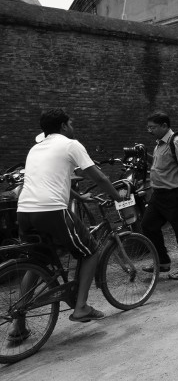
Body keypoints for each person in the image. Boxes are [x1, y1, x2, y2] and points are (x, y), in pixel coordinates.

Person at [11, 109, 123, 341]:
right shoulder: (71, 145)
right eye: (71, 123)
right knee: (91, 250)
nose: (73, 127)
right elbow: (99, 177)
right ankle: (81, 307)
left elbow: (48, 179)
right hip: (51, 211)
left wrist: (79, 197)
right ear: (63, 126)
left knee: (37, 262)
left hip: (25, 211)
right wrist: (117, 196)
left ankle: (17, 325)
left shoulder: (35, 149)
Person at [142, 111, 178, 280]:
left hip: (174, 195)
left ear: (164, 126)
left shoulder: (176, 141)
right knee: (148, 225)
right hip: (158, 195)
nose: (149, 130)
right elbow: (160, 165)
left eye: (152, 127)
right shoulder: (159, 144)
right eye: (148, 127)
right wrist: (144, 156)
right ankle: (162, 262)